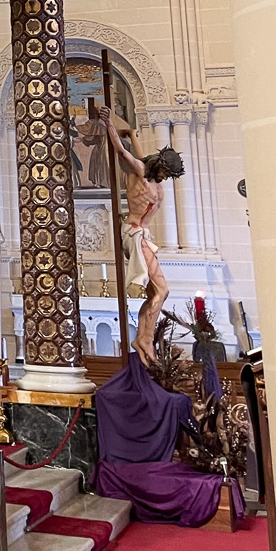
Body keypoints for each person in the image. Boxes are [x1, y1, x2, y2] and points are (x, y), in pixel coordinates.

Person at [97, 109, 185, 366]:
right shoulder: (139, 172)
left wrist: (134, 135)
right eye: (167, 173)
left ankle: (143, 338)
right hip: (135, 235)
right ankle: (144, 339)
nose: (166, 179)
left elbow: (139, 153)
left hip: (143, 235)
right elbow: (123, 153)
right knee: (162, 290)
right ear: (160, 166)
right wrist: (108, 124)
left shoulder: (153, 177)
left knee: (156, 293)